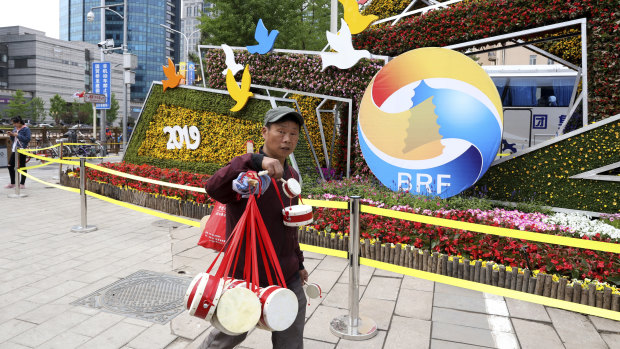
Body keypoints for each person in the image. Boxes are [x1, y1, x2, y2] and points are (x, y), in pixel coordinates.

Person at [201, 106, 308, 349]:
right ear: (264, 132)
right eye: (281, 131)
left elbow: (291, 226)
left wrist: (299, 263)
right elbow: (212, 187)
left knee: (291, 338)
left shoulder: (291, 177)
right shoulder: (244, 174)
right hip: (247, 274)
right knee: (229, 335)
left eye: (293, 133)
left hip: (286, 274)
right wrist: (255, 159)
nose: (287, 139)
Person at [5, 116, 31, 189]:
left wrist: (18, 135)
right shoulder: (15, 129)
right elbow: (14, 140)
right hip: (15, 149)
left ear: (19, 122)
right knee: (10, 166)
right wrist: (12, 135)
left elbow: (27, 139)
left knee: (22, 166)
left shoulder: (26, 129)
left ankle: (22, 184)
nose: (14, 125)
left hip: (22, 149)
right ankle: (13, 183)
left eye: (14, 123)